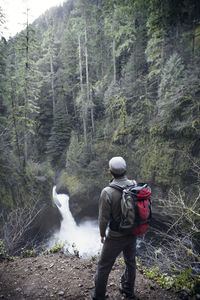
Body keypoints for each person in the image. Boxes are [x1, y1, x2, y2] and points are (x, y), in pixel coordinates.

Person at [91, 156, 137, 300]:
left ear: (109, 171)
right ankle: (128, 291)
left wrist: (102, 234)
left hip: (116, 235)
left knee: (104, 266)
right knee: (130, 262)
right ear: (125, 170)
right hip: (132, 232)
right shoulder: (134, 185)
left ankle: (98, 296)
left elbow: (103, 217)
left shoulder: (107, 192)